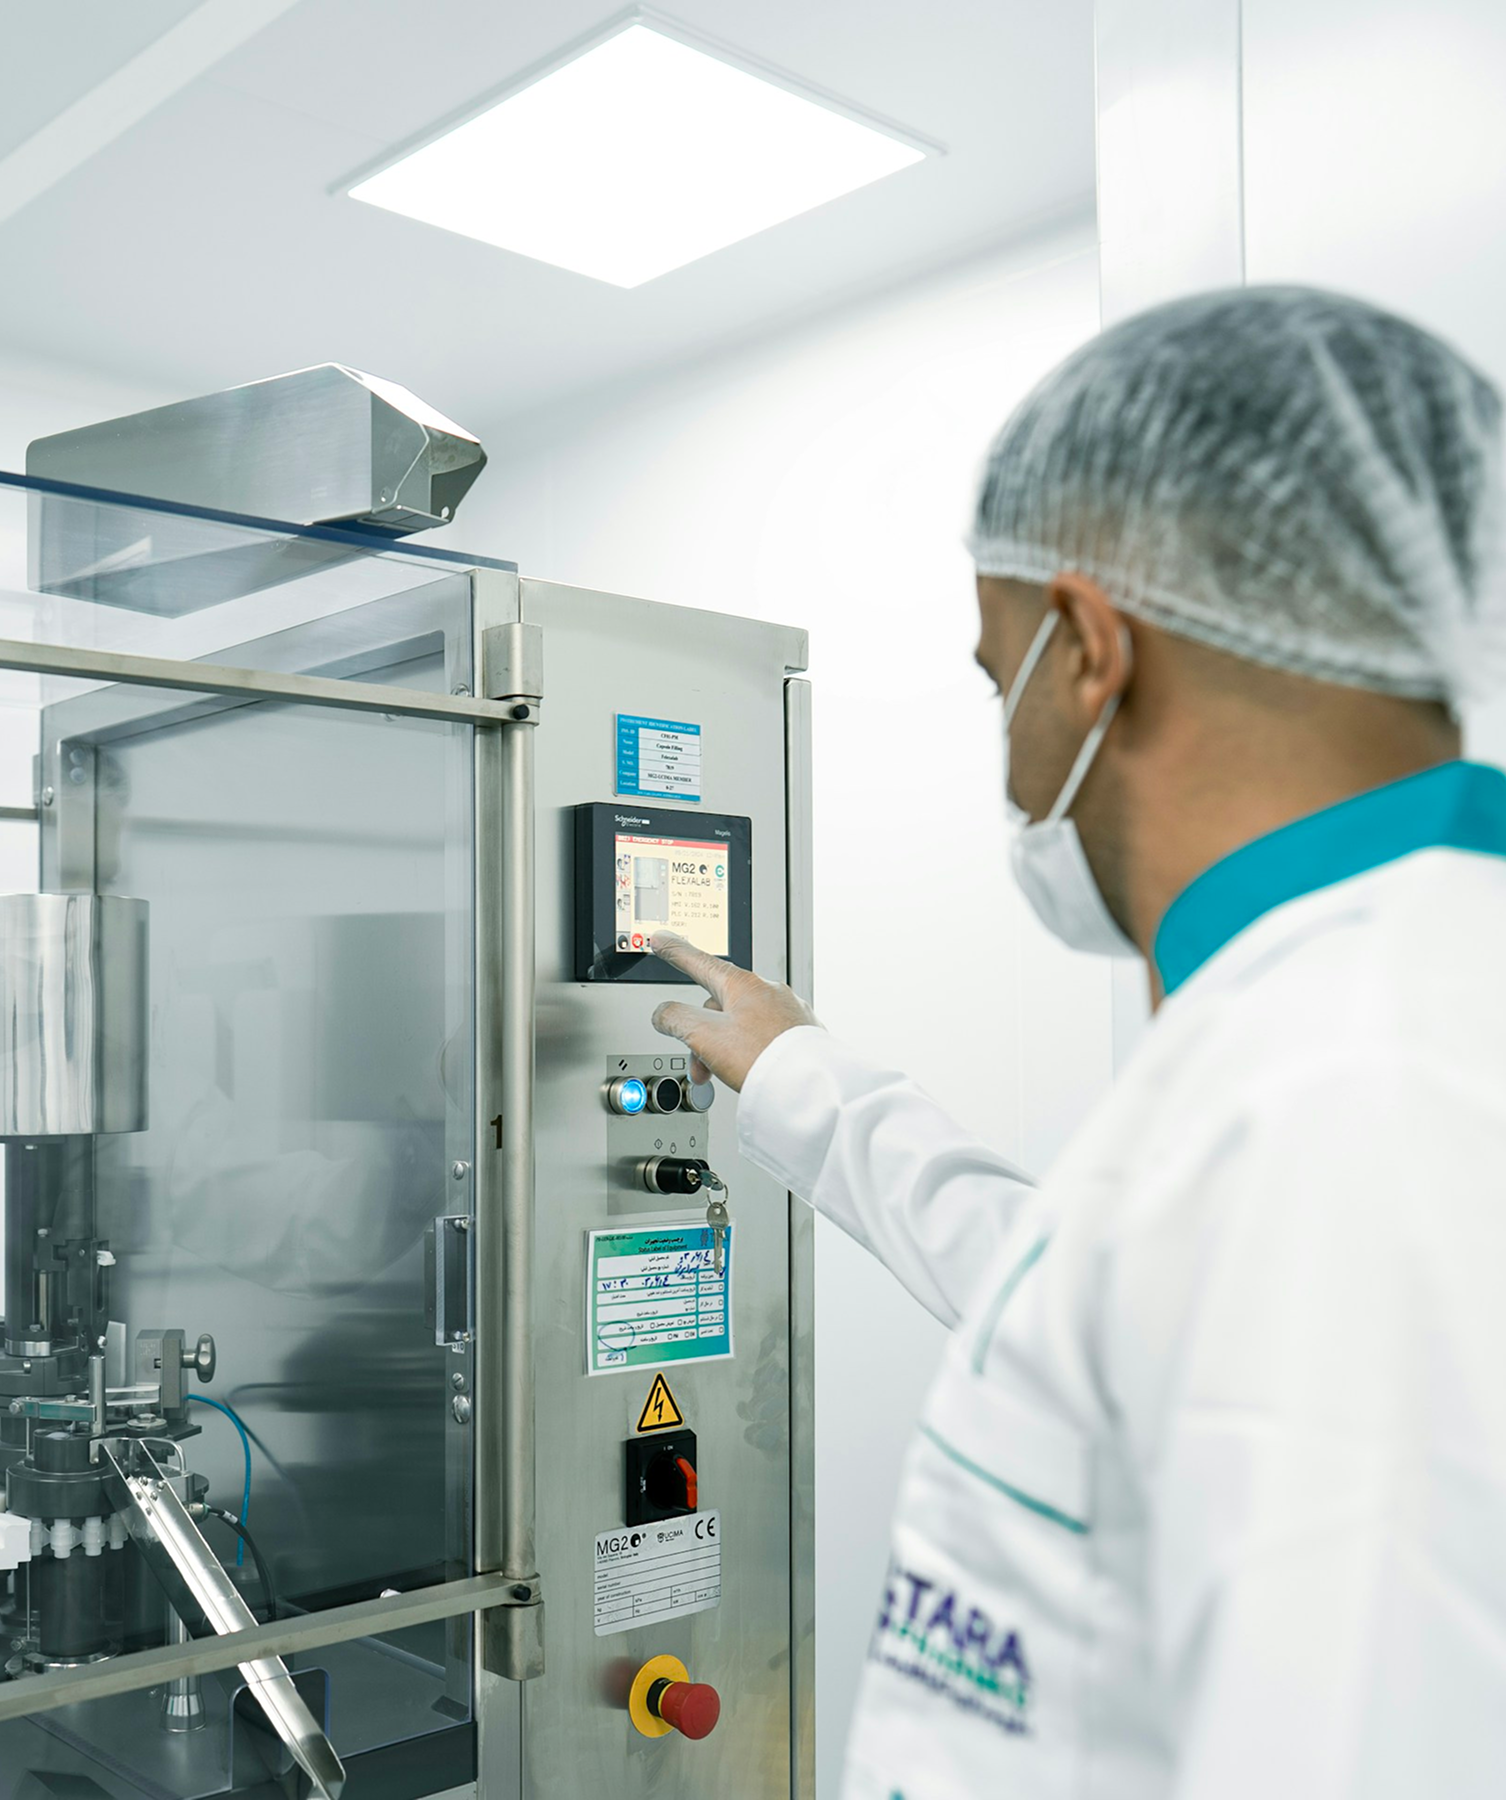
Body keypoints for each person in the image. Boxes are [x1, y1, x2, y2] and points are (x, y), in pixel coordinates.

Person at [649, 286, 1506, 1799]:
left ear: (1091, 652)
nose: (1011, 740)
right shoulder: (1357, 1021)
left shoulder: (1358, 1093)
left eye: (1001, 678)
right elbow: (1128, 1320)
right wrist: (812, 1086)